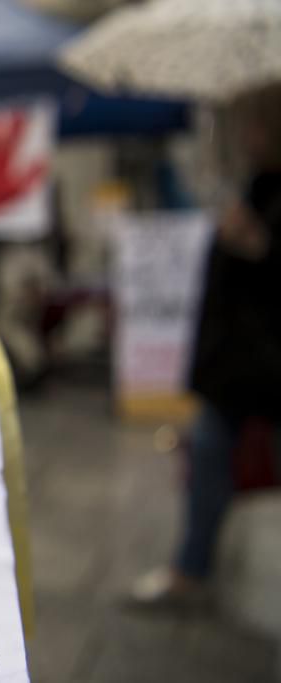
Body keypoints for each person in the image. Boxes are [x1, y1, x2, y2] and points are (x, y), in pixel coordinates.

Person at [130, 85, 281, 609]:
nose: (248, 135)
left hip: (266, 361)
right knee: (209, 460)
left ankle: (191, 571)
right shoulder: (259, 184)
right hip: (236, 364)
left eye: (257, 124)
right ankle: (190, 570)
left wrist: (261, 247)